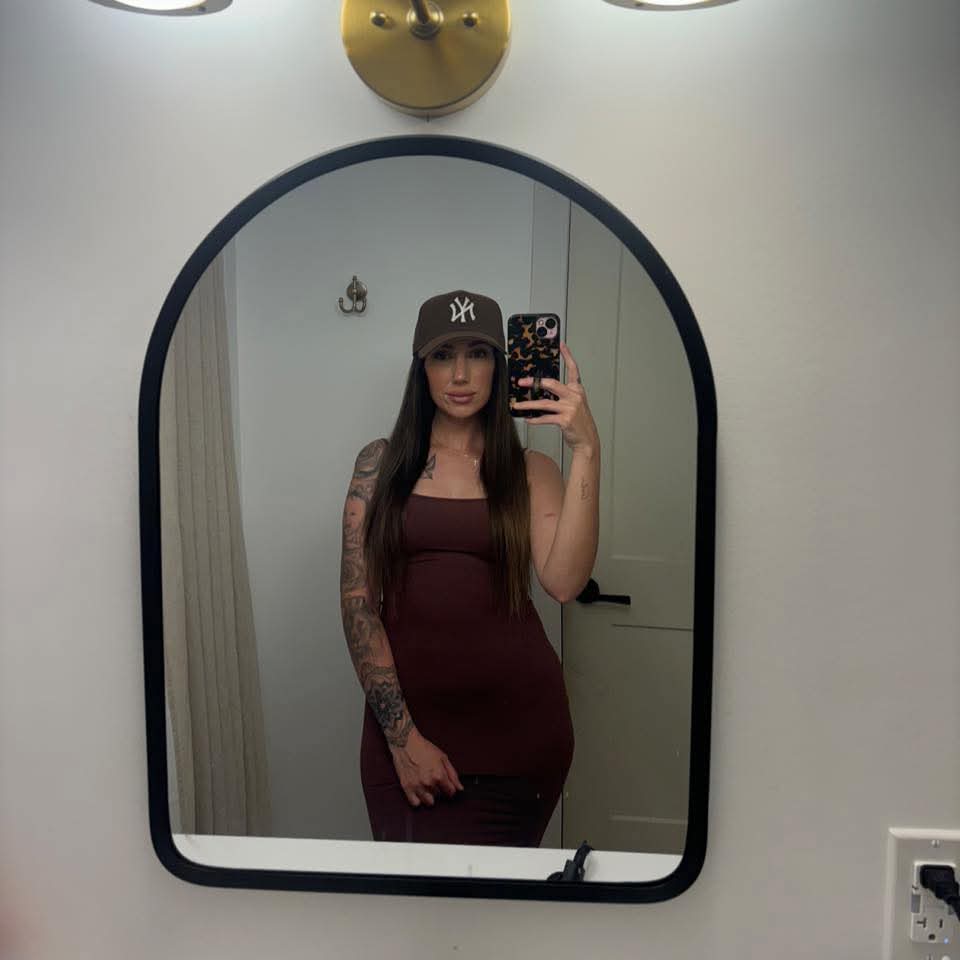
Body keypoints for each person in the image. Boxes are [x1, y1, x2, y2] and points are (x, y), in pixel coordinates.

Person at [339, 289, 601, 846]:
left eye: (478, 354)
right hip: (408, 735)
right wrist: (403, 740)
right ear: (422, 369)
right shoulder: (379, 465)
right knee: (415, 894)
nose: (460, 374)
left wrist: (586, 451)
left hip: (522, 738)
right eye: (443, 355)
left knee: (500, 897)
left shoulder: (530, 470)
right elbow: (358, 605)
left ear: (499, 366)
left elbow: (564, 582)